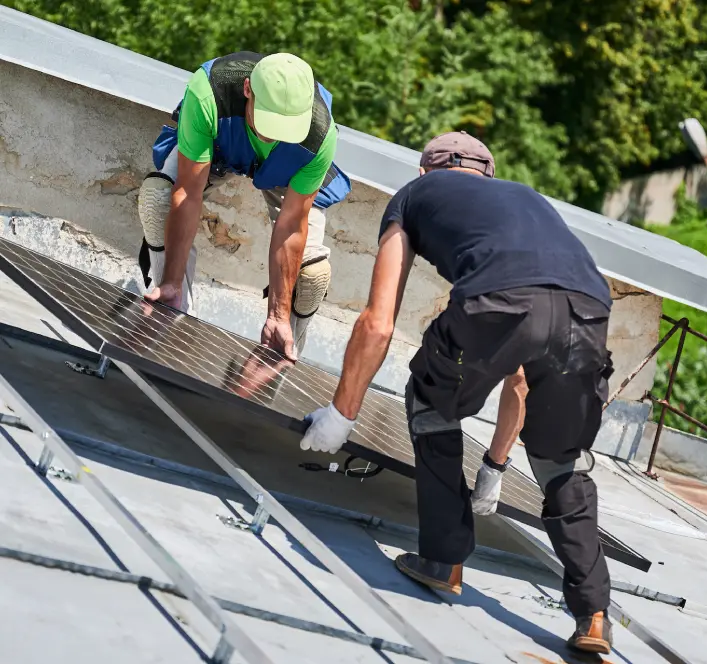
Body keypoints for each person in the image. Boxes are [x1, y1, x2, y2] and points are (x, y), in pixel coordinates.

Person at [299, 131, 616, 654]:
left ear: (427, 171)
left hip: (499, 301)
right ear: (488, 177)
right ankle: (594, 614)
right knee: (563, 462)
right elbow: (521, 376)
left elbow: (378, 323)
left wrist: (341, 414)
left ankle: (444, 559)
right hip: (589, 312)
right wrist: (495, 466)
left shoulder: (415, 196)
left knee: (431, 398)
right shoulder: (528, 201)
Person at [137, 51, 351, 360]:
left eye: (285, 127)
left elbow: (291, 224)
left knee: (312, 275)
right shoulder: (209, 93)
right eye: (269, 122)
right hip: (220, 146)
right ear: (247, 89)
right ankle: (172, 313)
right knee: (159, 199)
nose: (275, 135)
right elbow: (188, 192)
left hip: (285, 168)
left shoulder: (319, 134)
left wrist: (277, 313)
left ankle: (282, 354)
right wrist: (171, 279)